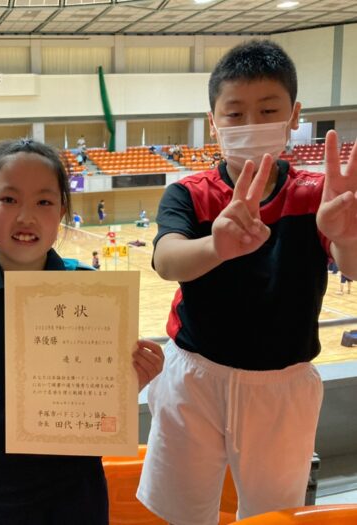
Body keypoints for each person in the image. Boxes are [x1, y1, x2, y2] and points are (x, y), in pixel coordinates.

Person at [137, 40, 357, 525]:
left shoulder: (318, 194)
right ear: (213, 122)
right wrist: (217, 246)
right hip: (195, 375)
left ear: (294, 115)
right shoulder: (189, 193)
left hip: (283, 384)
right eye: (235, 114)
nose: (251, 124)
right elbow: (167, 259)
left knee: (272, 515)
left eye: (268, 110)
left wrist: (346, 237)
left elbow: (352, 265)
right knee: (182, 513)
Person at [0, 139, 164, 525]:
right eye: (9, 200)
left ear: (61, 212)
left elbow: (102, 390)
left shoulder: (90, 288)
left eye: (44, 202)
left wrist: (129, 380)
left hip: (77, 490)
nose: (26, 216)